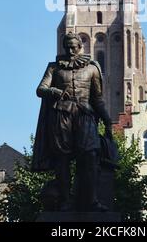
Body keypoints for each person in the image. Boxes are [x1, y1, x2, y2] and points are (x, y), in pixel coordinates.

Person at [32, 32, 113, 211]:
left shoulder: (92, 68)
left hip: (85, 115)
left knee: (91, 156)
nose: (70, 50)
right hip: (61, 116)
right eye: (67, 46)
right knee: (63, 159)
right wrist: (53, 91)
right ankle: (66, 201)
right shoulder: (54, 68)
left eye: (73, 46)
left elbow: (98, 99)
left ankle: (92, 200)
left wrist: (107, 122)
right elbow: (40, 89)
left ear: (80, 46)